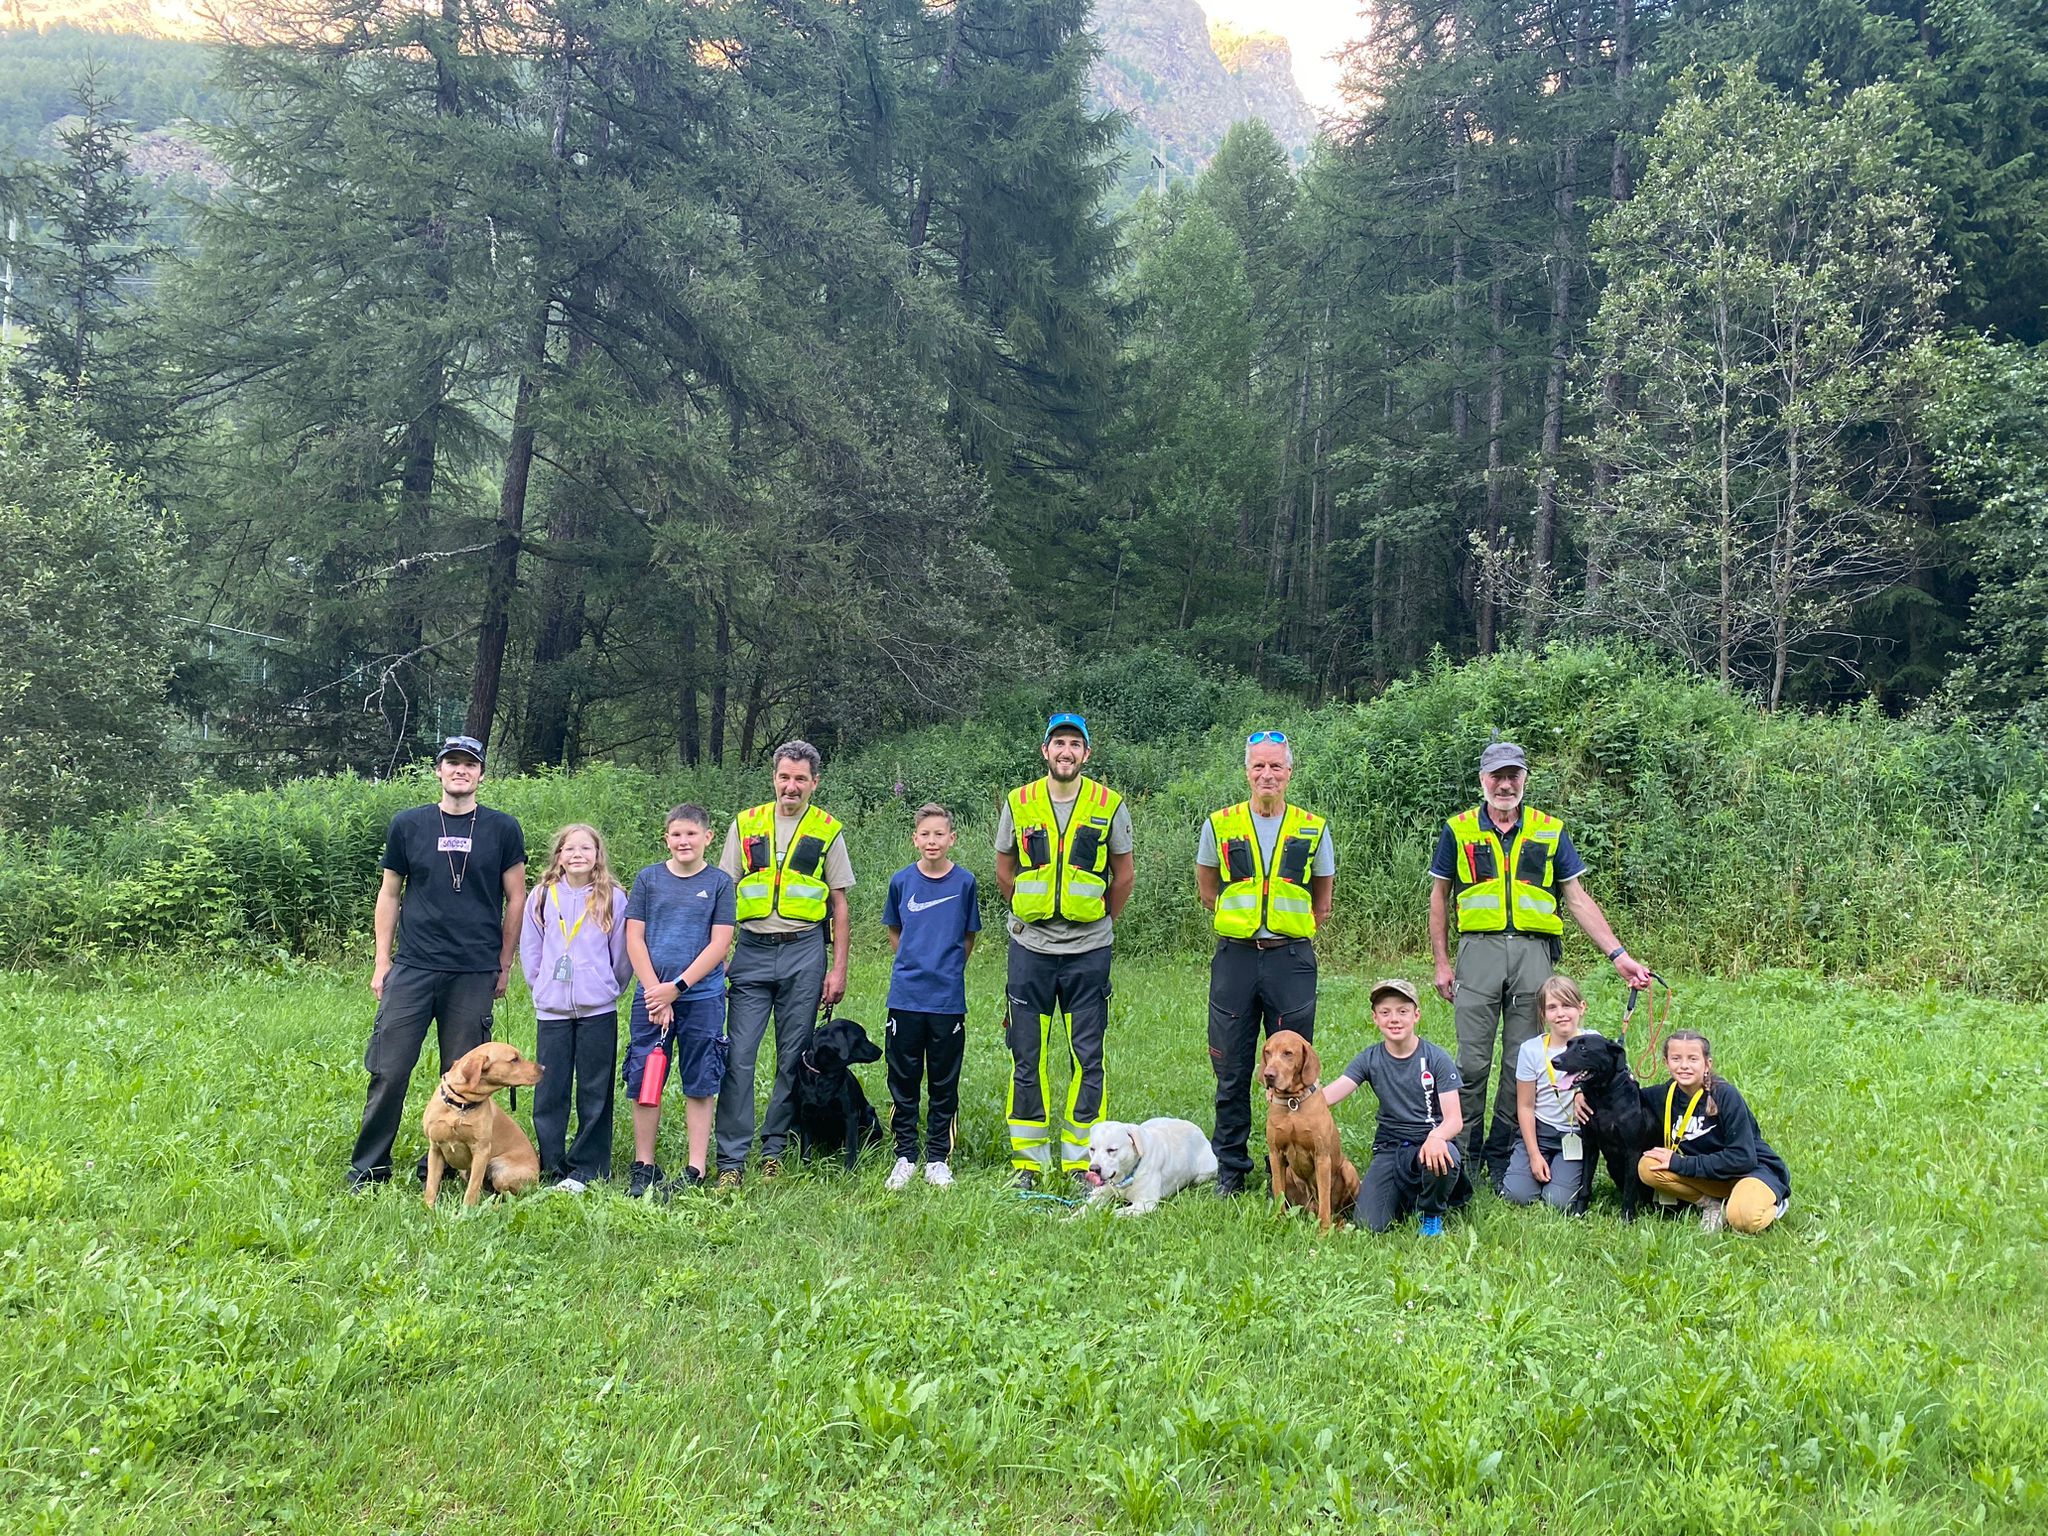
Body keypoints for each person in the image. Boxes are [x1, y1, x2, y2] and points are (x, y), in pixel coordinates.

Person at [1428, 740, 1653, 1186]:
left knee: (1522, 1062)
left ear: (1524, 779)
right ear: (1482, 780)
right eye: (1496, 776)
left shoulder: (1550, 830)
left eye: (1513, 775)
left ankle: (1502, 1152)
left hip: (1534, 953)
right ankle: (1464, 1153)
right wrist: (1441, 962)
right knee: (1471, 1063)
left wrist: (1619, 955)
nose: (1505, 785)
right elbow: (1439, 897)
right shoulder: (1458, 829)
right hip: (1478, 951)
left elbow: (1577, 899)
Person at [349, 734, 526, 1190]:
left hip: (473, 970)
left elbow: (516, 898)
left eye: (470, 764)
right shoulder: (409, 824)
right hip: (413, 966)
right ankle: (369, 1167)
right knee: (389, 1069)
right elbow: (389, 893)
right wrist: (382, 961)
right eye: (452, 762)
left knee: (467, 1076)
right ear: (439, 770)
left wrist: (504, 963)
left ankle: (447, 1163)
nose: (460, 770)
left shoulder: (503, 828)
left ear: (481, 774)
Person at [994, 713, 1134, 1187]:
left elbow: (1124, 875)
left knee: (1087, 1058)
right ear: (1045, 751)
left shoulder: (1109, 804)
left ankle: (1081, 1162)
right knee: (1026, 1056)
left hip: (1088, 949)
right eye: (1059, 743)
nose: (1066, 751)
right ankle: (1029, 1163)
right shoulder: (1019, 801)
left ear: (1086, 753)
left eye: (1075, 743)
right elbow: (1004, 869)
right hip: (1030, 948)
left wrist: (1102, 918)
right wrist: (1024, 908)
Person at [1196, 729, 1336, 1197]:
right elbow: (1208, 890)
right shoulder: (1220, 824)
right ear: (1247, 772)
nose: (1267, 774)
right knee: (1232, 1068)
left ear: (1289, 772)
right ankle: (1231, 1170)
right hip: (1235, 958)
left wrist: (1285, 929)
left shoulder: (1312, 827)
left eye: (1276, 766)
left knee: (1293, 1070)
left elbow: (1322, 901)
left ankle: (1296, 1167)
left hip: (1289, 959)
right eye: (1259, 766)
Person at [715, 741, 855, 1188]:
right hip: (751, 952)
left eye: (800, 779)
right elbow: (724, 891)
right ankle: (732, 1159)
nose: (791, 786)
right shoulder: (746, 823)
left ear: (814, 783)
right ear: (773, 777)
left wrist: (838, 969)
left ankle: (774, 1149)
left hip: (804, 951)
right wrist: (719, 956)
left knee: (793, 1057)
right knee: (738, 1057)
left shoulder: (828, 829)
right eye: (784, 777)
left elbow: (839, 903)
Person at [624, 805, 737, 1197]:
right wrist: (655, 992)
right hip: (651, 998)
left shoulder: (719, 883)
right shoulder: (648, 879)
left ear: (708, 837)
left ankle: (695, 1167)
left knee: (700, 1079)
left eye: (691, 834)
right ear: (666, 839)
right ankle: (644, 1164)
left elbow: (720, 943)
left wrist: (678, 987)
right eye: (676, 834)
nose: (683, 841)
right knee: (646, 1076)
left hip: (701, 997)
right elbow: (634, 937)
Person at [519, 823, 632, 1192]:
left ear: (598, 856)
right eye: (570, 848)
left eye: (586, 848)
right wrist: (543, 987)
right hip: (552, 1010)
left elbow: (621, 956)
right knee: (549, 1088)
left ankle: (587, 1167)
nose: (578, 854)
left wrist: (606, 988)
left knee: (595, 1088)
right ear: (559, 856)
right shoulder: (541, 896)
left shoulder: (613, 897)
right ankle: (551, 1164)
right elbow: (531, 949)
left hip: (597, 1009)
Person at [880, 803, 981, 1190]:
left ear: (951, 838)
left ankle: (938, 1158)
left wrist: (947, 969)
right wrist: (914, 963)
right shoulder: (901, 881)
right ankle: (905, 1155)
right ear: (915, 839)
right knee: (903, 1080)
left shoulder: (965, 882)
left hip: (946, 1000)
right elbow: (895, 932)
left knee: (944, 1082)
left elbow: (968, 936)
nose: (932, 841)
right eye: (925, 834)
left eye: (939, 834)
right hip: (906, 997)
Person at [1322, 978, 1464, 1235]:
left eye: (1402, 1011)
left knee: (1446, 1155)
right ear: (1375, 1018)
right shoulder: (1369, 1058)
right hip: (1391, 1147)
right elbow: (1329, 1095)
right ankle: (1406, 1197)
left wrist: (1436, 1137)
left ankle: (1431, 1213)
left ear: (1416, 1015)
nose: (1394, 1019)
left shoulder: (1436, 1058)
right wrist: (1291, 1097)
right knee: (1369, 1224)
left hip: (1429, 1141)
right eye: (1385, 1012)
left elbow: (1454, 1120)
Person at [1637, 1030, 1791, 1233]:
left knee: (1742, 1220)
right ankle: (1712, 1204)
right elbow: (1623, 1095)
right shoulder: (1664, 1095)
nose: (1684, 1065)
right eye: (1676, 1058)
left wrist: (1680, 1163)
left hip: (1751, 1172)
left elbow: (1743, 1158)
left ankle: (1774, 1203)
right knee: (1649, 1165)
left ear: (1707, 1064)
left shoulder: (1726, 1095)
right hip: (1711, 1174)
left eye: (1693, 1059)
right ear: (1666, 1062)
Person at [1500, 974, 1598, 1212]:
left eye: (1567, 1005)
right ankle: (1526, 1161)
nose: (1561, 1013)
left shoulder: (1594, 1042)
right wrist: (1534, 1155)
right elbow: (1525, 1106)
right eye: (1552, 1008)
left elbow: (1610, 1083)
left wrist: (1583, 1091)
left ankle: (1566, 1175)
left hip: (1575, 1134)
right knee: (1518, 1195)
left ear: (1581, 1007)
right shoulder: (1531, 1050)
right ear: (1543, 1014)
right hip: (1540, 1132)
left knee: (1558, 1202)